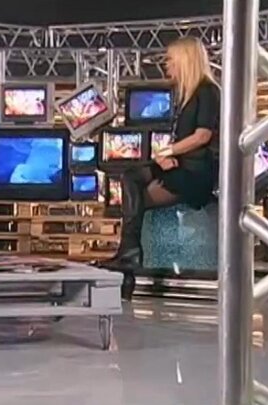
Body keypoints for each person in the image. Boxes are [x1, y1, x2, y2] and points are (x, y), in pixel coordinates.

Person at [99, 37, 221, 299]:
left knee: (138, 201)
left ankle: (129, 261)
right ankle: (129, 256)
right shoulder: (186, 94)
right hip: (181, 164)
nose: (166, 65)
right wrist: (165, 157)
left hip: (196, 174)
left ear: (185, 60)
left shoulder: (208, 91)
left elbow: (202, 136)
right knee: (131, 176)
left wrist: (169, 151)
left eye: (170, 60)